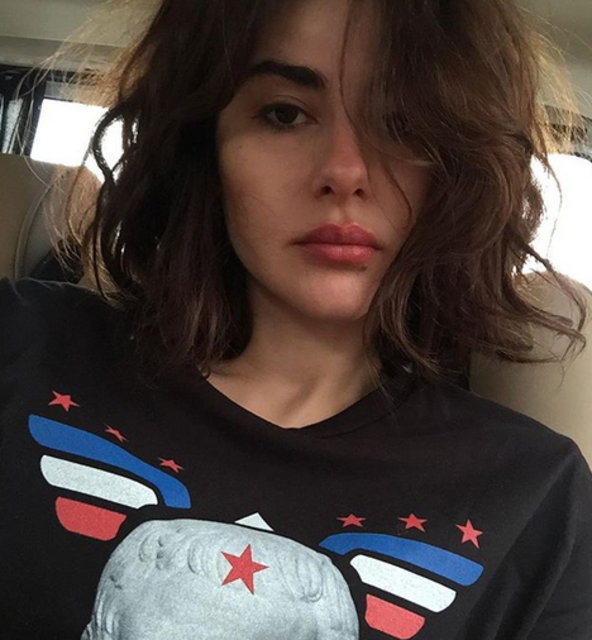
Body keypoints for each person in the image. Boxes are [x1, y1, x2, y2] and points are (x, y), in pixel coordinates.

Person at [1, 0, 591, 638]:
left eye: (405, 123)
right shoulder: (23, 341)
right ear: (204, 142)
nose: (345, 172)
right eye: (284, 114)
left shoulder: (538, 494)